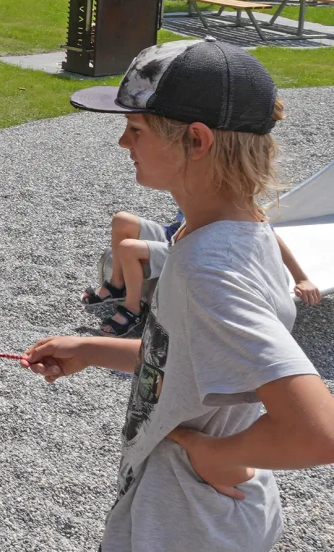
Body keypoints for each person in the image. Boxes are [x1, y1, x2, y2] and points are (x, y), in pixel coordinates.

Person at [22, 39, 334, 551]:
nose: (123, 142)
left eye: (136, 129)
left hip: (187, 523)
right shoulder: (239, 231)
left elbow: (318, 432)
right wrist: (93, 349)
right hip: (199, 513)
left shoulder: (209, 269)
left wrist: (219, 454)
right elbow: (191, 357)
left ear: (196, 140)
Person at [84, 208, 321, 337]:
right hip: (174, 234)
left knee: (129, 248)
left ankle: (134, 309)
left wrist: (301, 277)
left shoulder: (232, 196)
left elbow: (269, 235)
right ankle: (117, 285)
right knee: (121, 220)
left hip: (189, 247)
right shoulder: (191, 173)